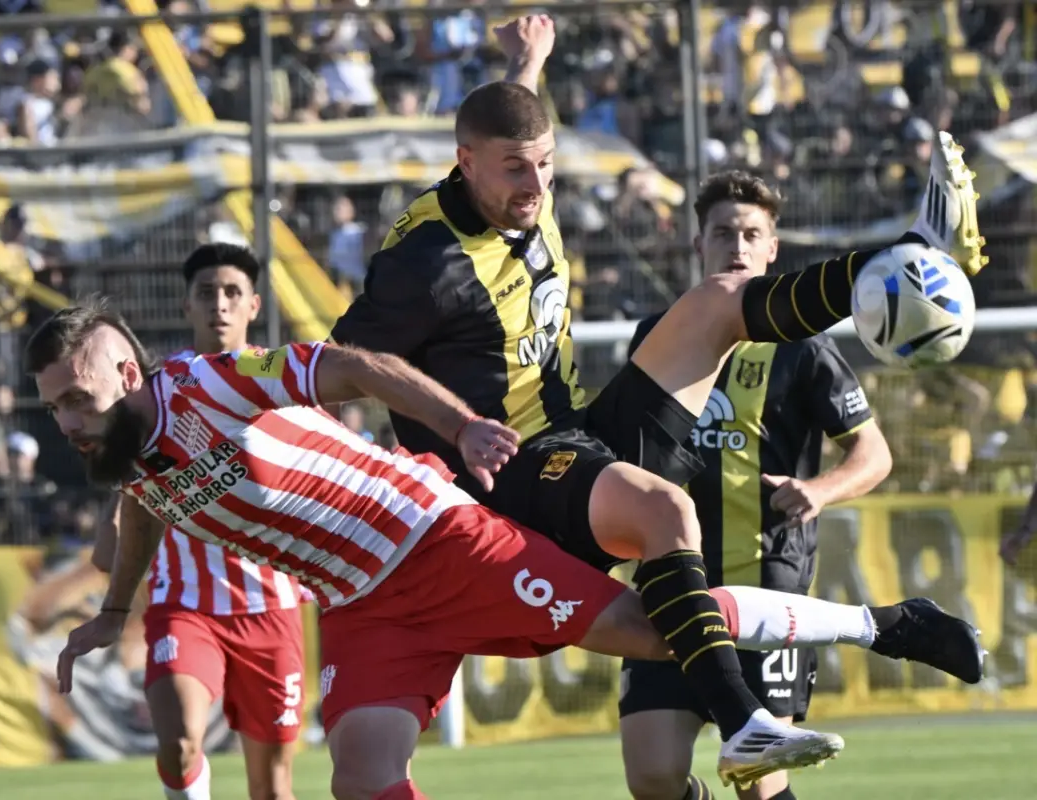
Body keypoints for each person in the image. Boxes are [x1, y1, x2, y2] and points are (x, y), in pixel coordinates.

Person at [328, 14, 986, 791]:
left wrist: (527, 61)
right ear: (465, 163)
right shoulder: (423, 265)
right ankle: (786, 697)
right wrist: (455, 426)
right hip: (500, 483)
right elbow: (346, 364)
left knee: (718, 303)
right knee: (666, 531)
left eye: (545, 165)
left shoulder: (509, 185)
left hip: (567, 446)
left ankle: (903, 260)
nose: (536, 187)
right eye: (516, 170)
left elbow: (513, 122)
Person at [34, 303, 983, 799]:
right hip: (361, 603)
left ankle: (887, 623)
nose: (68, 422)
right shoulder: (128, 456)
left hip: (431, 536)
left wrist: (461, 425)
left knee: (654, 634)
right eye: (55, 408)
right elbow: (144, 512)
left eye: (78, 398)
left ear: (128, 372)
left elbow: (354, 367)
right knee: (360, 774)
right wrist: (113, 612)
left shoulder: (208, 382)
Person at [618, 172, 894, 800]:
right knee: (652, 777)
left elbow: (873, 453)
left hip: (768, 591)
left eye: (751, 235)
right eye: (722, 234)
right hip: (672, 587)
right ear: (698, 246)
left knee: (758, 783)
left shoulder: (803, 349)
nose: (736, 247)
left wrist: (820, 490)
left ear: (773, 249)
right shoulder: (656, 336)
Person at [91, 244, 307, 800]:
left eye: (233, 292)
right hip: (185, 605)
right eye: (206, 292)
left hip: (272, 610)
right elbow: (123, 499)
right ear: (186, 306)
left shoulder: (287, 387)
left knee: (273, 786)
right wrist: (112, 529)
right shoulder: (156, 397)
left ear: (254, 305)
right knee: (181, 742)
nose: (220, 304)